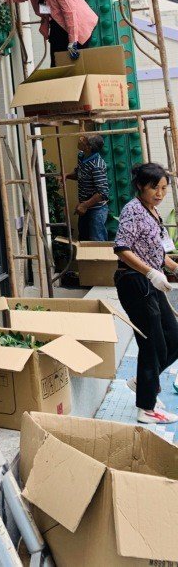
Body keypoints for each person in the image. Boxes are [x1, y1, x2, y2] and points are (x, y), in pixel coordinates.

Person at [113, 163, 178, 424]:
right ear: (141, 186)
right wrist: (151, 272)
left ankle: (143, 382)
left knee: (174, 337)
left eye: (164, 188)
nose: (160, 193)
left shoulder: (152, 212)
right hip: (134, 282)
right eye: (155, 188)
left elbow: (159, 253)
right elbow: (121, 248)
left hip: (151, 282)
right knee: (152, 343)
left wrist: (172, 267)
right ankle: (146, 408)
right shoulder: (133, 210)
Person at [66, 133, 109, 241]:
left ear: (88, 147)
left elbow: (102, 193)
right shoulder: (81, 155)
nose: (80, 138)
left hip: (96, 210)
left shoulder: (97, 165)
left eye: (84, 139)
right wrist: (66, 176)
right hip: (84, 207)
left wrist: (85, 205)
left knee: (97, 241)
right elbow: (80, 174)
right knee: (83, 239)